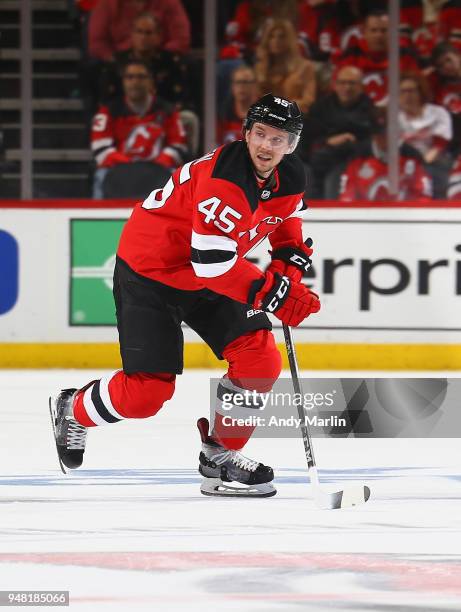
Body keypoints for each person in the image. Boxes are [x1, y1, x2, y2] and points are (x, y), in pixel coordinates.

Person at [49, 94, 321, 498]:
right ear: (246, 133)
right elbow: (211, 264)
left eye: (278, 139)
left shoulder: (290, 176)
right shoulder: (225, 181)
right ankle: (73, 409)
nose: (266, 145)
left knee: (260, 359)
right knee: (145, 395)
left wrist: (288, 263)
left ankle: (221, 455)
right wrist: (272, 293)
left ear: (291, 145)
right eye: (260, 134)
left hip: (207, 274)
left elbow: (286, 220)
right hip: (152, 273)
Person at [91, 59, 187, 199]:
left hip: (159, 168)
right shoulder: (109, 111)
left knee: (178, 177)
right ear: (123, 82)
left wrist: (156, 164)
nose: (135, 82)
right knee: (101, 175)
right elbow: (101, 150)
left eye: (141, 77)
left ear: (150, 82)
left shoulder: (168, 110)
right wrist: (131, 166)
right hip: (119, 170)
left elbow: (178, 145)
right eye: (130, 77)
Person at [299, 65, 376, 198]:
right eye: (342, 83)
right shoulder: (321, 107)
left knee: (333, 181)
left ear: (361, 86)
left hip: (350, 161)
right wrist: (327, 141)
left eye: (352, 83)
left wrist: (348, 141)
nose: (347, 87)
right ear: (335, 85)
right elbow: (307, 136)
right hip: (317, 159)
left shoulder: (370, 110)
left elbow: (372, 141)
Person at [100, 13, 191, 109]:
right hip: (123, 117)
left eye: (148, 33)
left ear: (158, 36)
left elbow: (180, 99)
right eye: (139, 32)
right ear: (132, 34)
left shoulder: (171, 62)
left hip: (163, 116)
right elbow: (107, 100)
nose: (143, 37)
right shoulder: (116, 62)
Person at [339, 114, 432, 202]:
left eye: (389, 134)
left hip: (404, 214)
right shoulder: (358, 155)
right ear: (373, 136)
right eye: (380, 135)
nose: (385, 138)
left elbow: (423, 197)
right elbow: (347, 197)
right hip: (366, 215)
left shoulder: (412, 156)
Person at [335, 10, 420, 105]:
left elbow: (418, 90)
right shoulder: (351, 56)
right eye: (373, 30)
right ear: (364, 33)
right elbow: (337, 90)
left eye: (384, 30)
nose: (378, 35)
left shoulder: (404, 55)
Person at [398, 71, 453, 198]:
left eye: (411, 91)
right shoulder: (394, 117)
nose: (407, 95)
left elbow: (439, 144)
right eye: (403, 91)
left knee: (438, 168)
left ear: (421, 92)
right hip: (404, 160)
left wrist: (422, 163)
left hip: (433, 159)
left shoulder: (438, 113)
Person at [88, 0, 190, 61]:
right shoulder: (107, 3)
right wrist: (116, 61)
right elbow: (97, 42)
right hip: (118, 62)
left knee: (189, 63)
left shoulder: (169, 2)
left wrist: (158, 58)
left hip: (160, 60)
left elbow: (181, 39)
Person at [254, 19, 317, 114]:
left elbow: (308, 101)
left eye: (281, 37)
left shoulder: (305, 67)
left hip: (295, 118)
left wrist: (281, 108)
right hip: (265, 118)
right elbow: (254, 99)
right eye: (271, 37)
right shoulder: (260, 67)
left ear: (290, 40)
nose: (276, 41)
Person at [217, 64, 259, 145]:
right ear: (232, 86)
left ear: (255, 85)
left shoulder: (265, 113)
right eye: (238, 82)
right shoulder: (223, 114)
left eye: (246, 82)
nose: (241, 86)